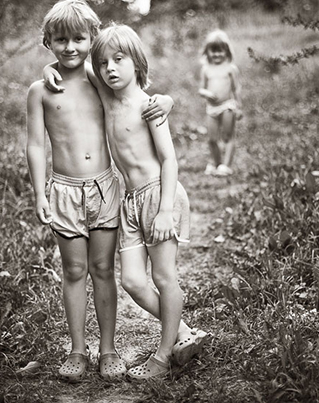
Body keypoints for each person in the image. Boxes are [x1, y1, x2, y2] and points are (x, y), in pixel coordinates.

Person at [26, 0, 173, 382]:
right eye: (60, 40)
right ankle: (78, 349)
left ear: (91, 40)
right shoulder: (40, 91)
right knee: (74, 270)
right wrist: (39, 193)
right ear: (47, 42)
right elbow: (36, 144)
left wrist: (167, 100)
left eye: (78, 39)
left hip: (104, 189)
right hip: (64, 191)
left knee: (103, 269)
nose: (69, 47)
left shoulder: (99, 81)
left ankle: (108, 349)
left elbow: (136, 92)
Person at [87, 23, 208, 380]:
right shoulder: (106, 98)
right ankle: (183, 332)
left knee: (164, 276)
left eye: (118, 59)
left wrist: (166, 210)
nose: (109, 68)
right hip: (130, 202)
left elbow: (170, 160)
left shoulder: (148, 107)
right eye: (104, 62)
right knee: (133, 281)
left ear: (137, 62)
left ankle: (163, 356)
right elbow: (76, 64)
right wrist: (50, 69)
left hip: (158, 196)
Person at [198, 29, 243, 176]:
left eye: (220, 51)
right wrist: (207, 93)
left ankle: (226, 165)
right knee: (212, 139)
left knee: (228, 136)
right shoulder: (206, 69)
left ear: (227, 51)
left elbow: (236, 88)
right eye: (213, 51)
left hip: (227, 105)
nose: (217, 54)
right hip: (212, 108)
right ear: (207, 51)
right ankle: (217, 164)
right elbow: (201, 89)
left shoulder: (230, 68)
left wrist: (239, 107)